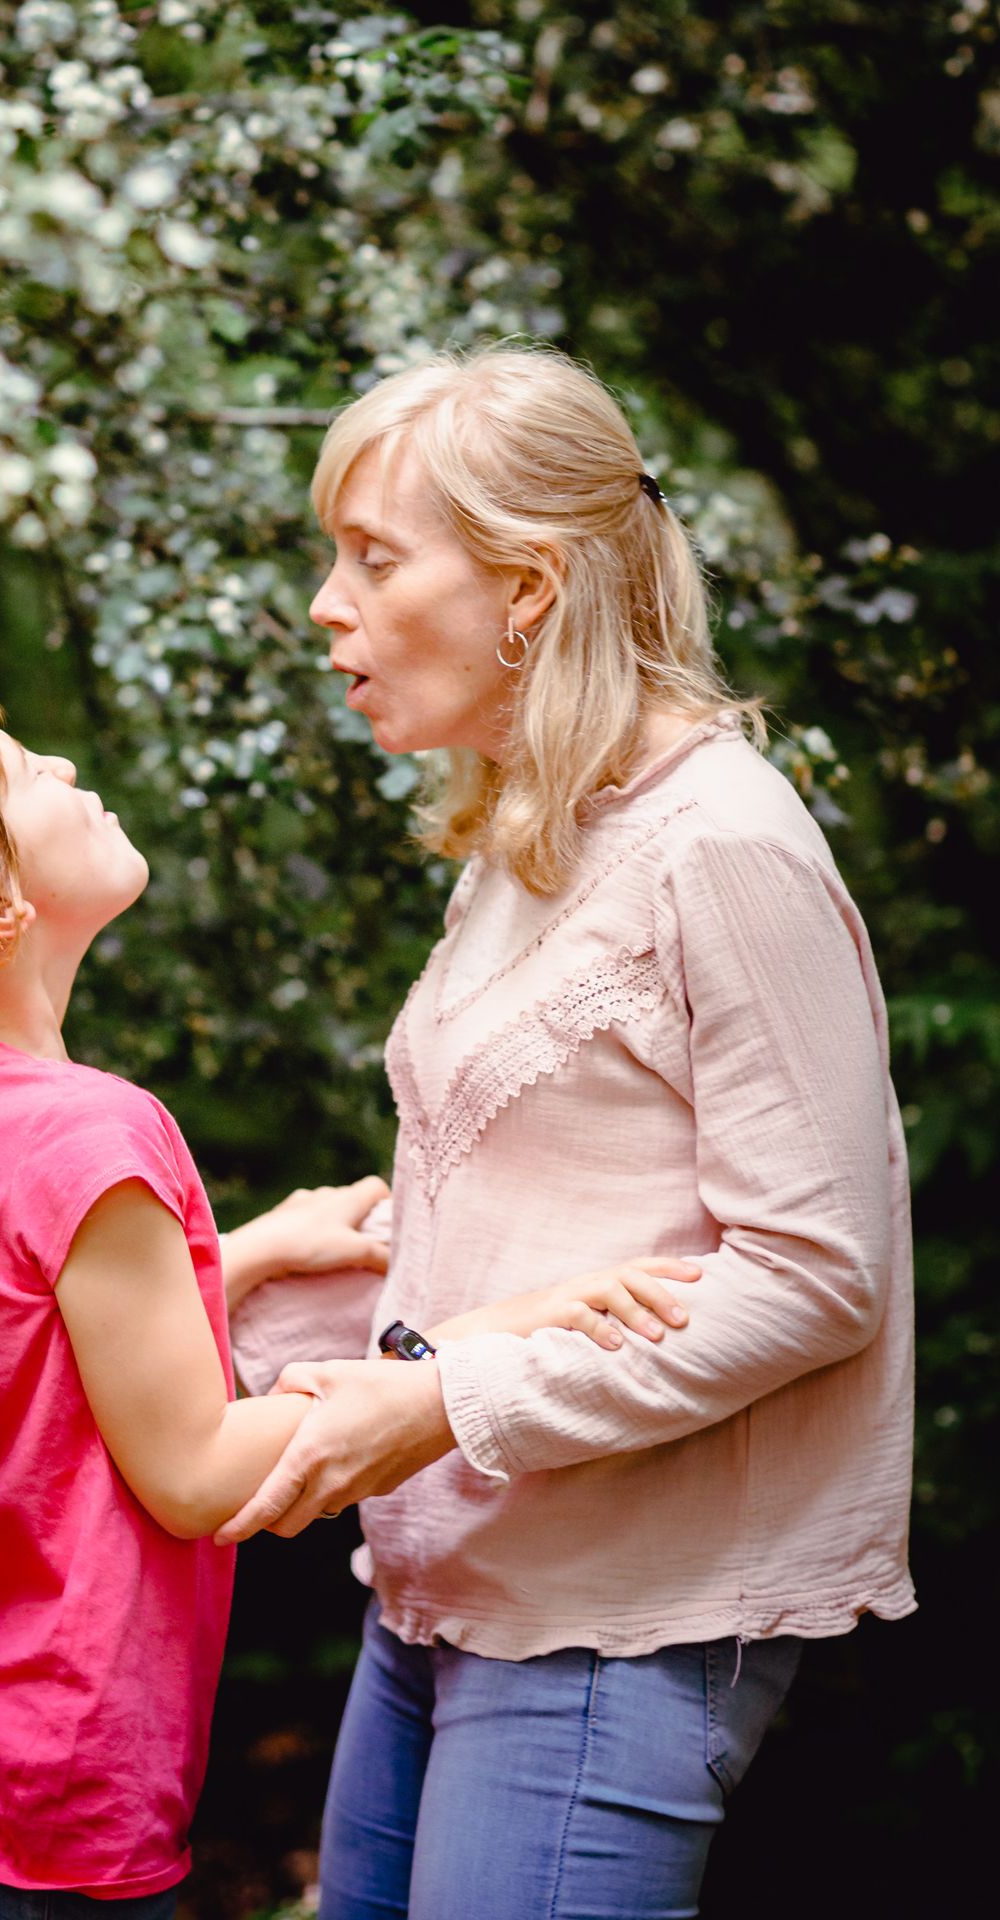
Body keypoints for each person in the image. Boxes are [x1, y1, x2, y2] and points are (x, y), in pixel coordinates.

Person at [0, 654, 700, 1918]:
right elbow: (196, 1476)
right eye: (29, 772)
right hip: (43, 1817)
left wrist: (241, 1250)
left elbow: (22, 1341)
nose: (65, 766)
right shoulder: (89, 1133)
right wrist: (470, 1342)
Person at [218, 344, 916, 1920]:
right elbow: (522, 1224)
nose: (327, 603)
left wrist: (443, 1403)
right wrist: (229, 1321)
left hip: (624, 1621)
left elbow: (815, 1277)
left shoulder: (725, 847)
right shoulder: (526, 837)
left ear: (527, 587)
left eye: (373, 558)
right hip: (446, 1589)